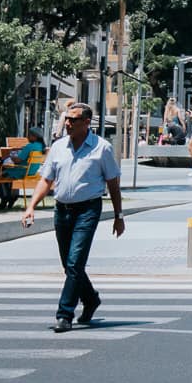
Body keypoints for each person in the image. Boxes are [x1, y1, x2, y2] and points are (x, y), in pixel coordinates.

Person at [22, 100, 125, 333]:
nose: (67, 123)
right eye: (66, 119)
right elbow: (46, 180)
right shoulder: (59, 147)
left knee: (75, 262)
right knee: (69, 265)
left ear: (86, 123)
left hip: (88, 210)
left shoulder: (102, 148)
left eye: (73, 120)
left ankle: (64, 314)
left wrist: (119, 215)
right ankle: (90, 299)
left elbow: (113, 184)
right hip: (62, 210)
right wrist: (31, 207)